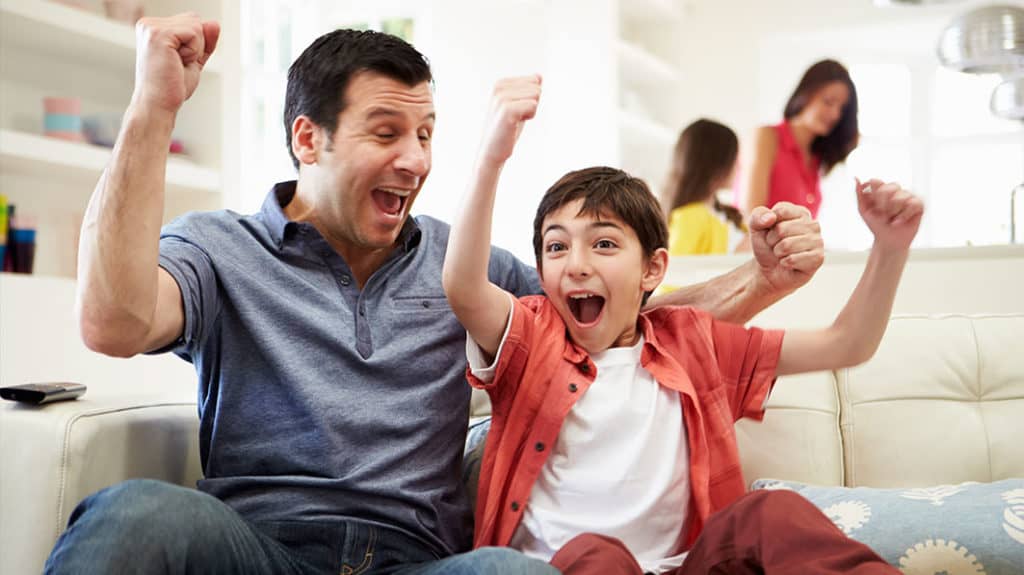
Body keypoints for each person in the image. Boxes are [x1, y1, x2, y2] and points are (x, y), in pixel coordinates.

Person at [47, 14, 826, 575]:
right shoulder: (221, 247)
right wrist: (154, 109)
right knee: (137, 511)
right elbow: (113, 321)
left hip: (419, 559)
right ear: (307, 137)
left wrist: (760, 278)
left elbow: (620, 317)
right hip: (263, 545)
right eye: (387, 132)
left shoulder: (463, 263)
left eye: (426, 135)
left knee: (512, 573)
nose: (416, 160)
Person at [443, 76, 923, 574]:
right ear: (541, 273)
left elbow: (847, 345)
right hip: (568, 569)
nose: (576, 264)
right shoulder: (532, 336)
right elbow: (464, 286)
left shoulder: (692, 340)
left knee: (767, 513)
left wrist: (889, 248)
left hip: (687, 567)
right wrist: (491, 158)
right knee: (596, 553)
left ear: (652, 269)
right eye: (556, 246)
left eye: (604, 244)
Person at [745, 59, 860, 219]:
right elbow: (751, 217)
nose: (835, 115)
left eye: (842, 108)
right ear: (805, 94)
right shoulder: (767, 137)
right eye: (828, 102)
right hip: (760, 244)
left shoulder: (816, 157)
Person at [662, 118, 749, 255]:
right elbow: (678, 272)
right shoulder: (690, 218)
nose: (739, 167)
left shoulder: (726, 214)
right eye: (735, 159)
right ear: (717, 163)